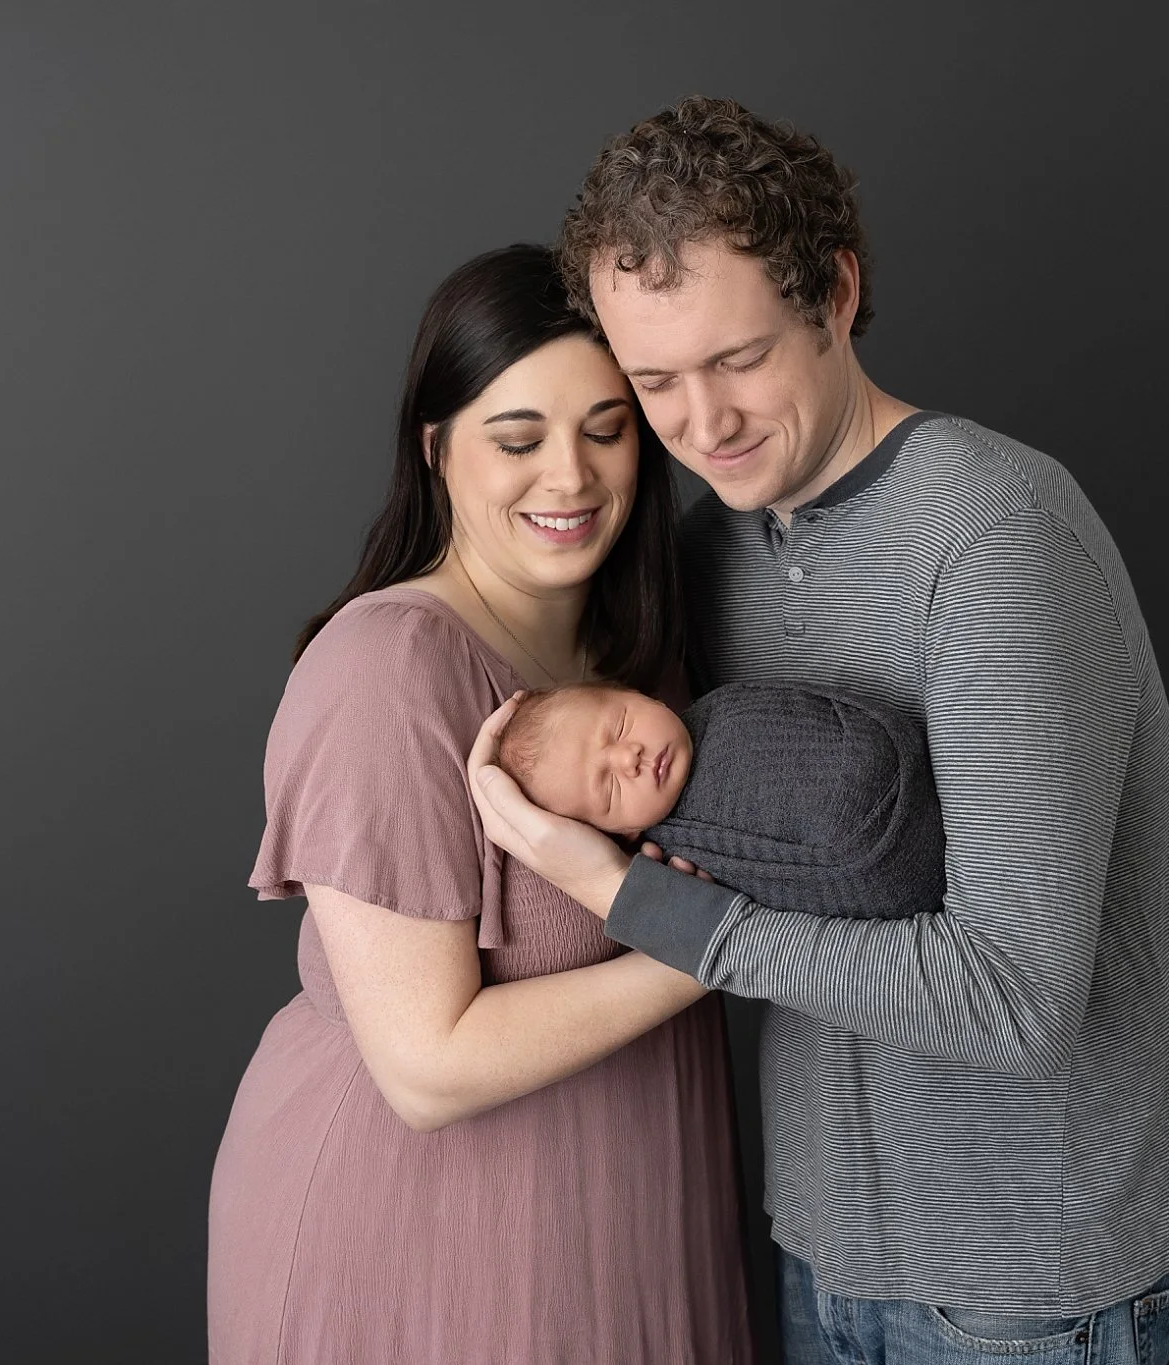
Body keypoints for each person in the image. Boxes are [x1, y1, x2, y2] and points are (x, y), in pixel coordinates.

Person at [467, 99, 1169, 1364]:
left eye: (738, 357)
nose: (702, 424)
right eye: (654, 381)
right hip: (820, 1251)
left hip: (1024, 1293)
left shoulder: (992, 537)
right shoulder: (702, 555)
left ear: (837, 295)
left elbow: (1016, 1000)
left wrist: (641, 906)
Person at [208, 243, 752, 1365]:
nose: (570, 477)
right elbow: (427, 1067)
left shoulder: (646, 655)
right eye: (518, 439)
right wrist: (720, 945)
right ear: (435, 448)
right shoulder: (388, 672)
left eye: (606, 429)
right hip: (412, 1235)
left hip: (629, 1211)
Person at [496, 678, 945, 919]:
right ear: (622, 833)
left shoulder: (725, 704)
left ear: (642, 694)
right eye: (609, 787)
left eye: (621, 726)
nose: (629, 757)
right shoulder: (678, 864)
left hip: (925, 764)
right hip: (893, 881)